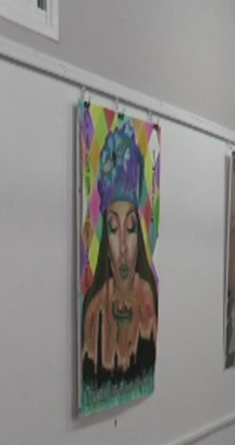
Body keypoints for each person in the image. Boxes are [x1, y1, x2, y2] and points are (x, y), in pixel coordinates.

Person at [81, 122, 158, 404]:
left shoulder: (149, 301)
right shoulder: (94, 312)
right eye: (113, 229)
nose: (124, 247)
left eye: (131, 228)